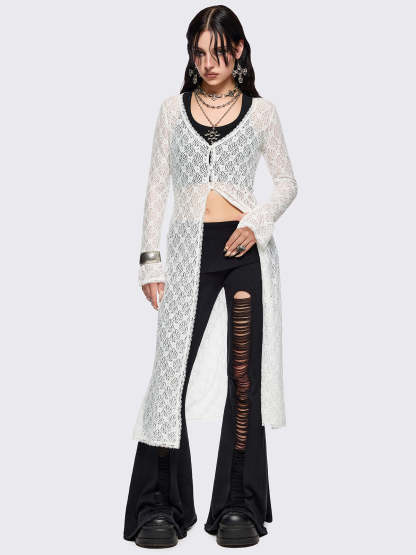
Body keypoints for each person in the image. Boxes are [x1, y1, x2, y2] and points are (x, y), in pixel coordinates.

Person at [123, 5, 298, 549]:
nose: (208, 63)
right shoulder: (171, 111)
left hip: (243, 253)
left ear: (238, 50)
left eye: (218, 52)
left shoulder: (262, 112)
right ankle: (159, 505)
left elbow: (287, 182)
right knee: (169, 376)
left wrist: (256, 223)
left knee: (243, 377)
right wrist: (150, 261)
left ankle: (238, 502)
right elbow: (156, 186)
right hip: (187, 253)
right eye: (198, 53)